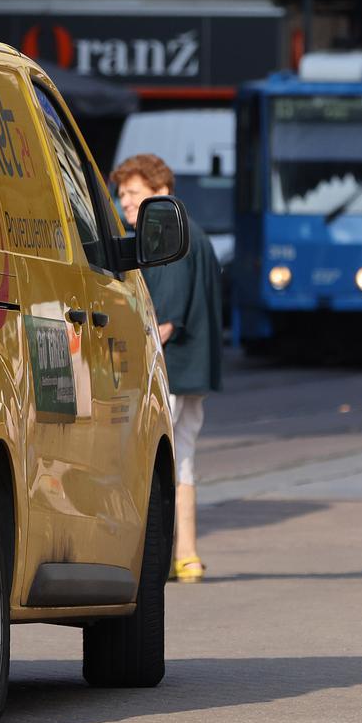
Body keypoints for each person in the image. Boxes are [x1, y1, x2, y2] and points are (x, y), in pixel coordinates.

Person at [112, 152, 222, 583]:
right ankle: (187, 556)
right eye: (122, 195)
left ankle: (156, 557)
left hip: (169, 371)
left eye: (135, 194)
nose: (126, 203)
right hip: (192, 370)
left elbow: (165, 322)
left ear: (162, 193)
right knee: (183, 460)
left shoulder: (166, 235)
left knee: (149, 462)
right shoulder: (196, 233)